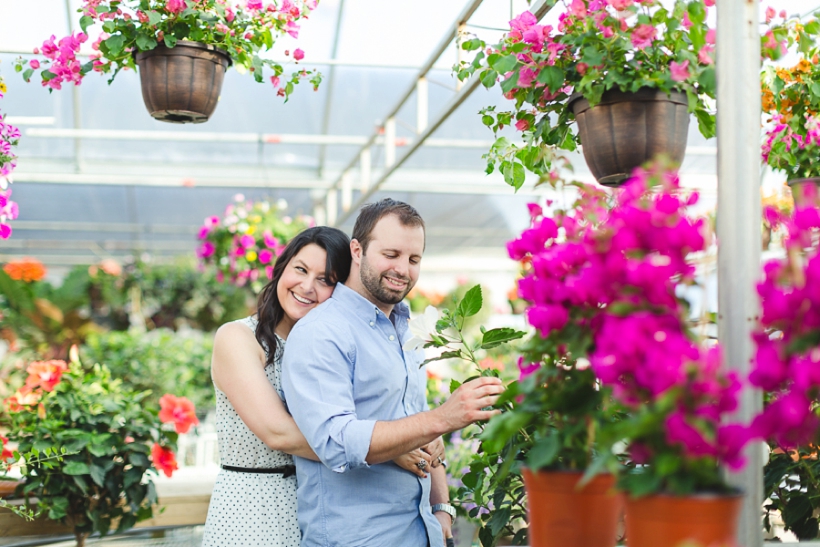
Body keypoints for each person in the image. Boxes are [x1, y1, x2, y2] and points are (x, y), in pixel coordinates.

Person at [201, 226, 443, 547]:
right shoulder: (239, 338)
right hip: (254, 506)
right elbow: (278, 432)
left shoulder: (329, 346)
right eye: (300, 270)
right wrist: (390, 449)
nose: (307, 286)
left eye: (325, 280)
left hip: (313, 506)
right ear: (282, 268)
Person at [282, 199, 505, 547]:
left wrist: (441, 507)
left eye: (414, 259)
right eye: (391, 254)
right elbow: (336, 442)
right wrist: (443, 417)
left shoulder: (405, 329)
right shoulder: (321, 332)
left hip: (421, 533)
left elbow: (423, 429)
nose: (403, 268)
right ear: (357, 250)